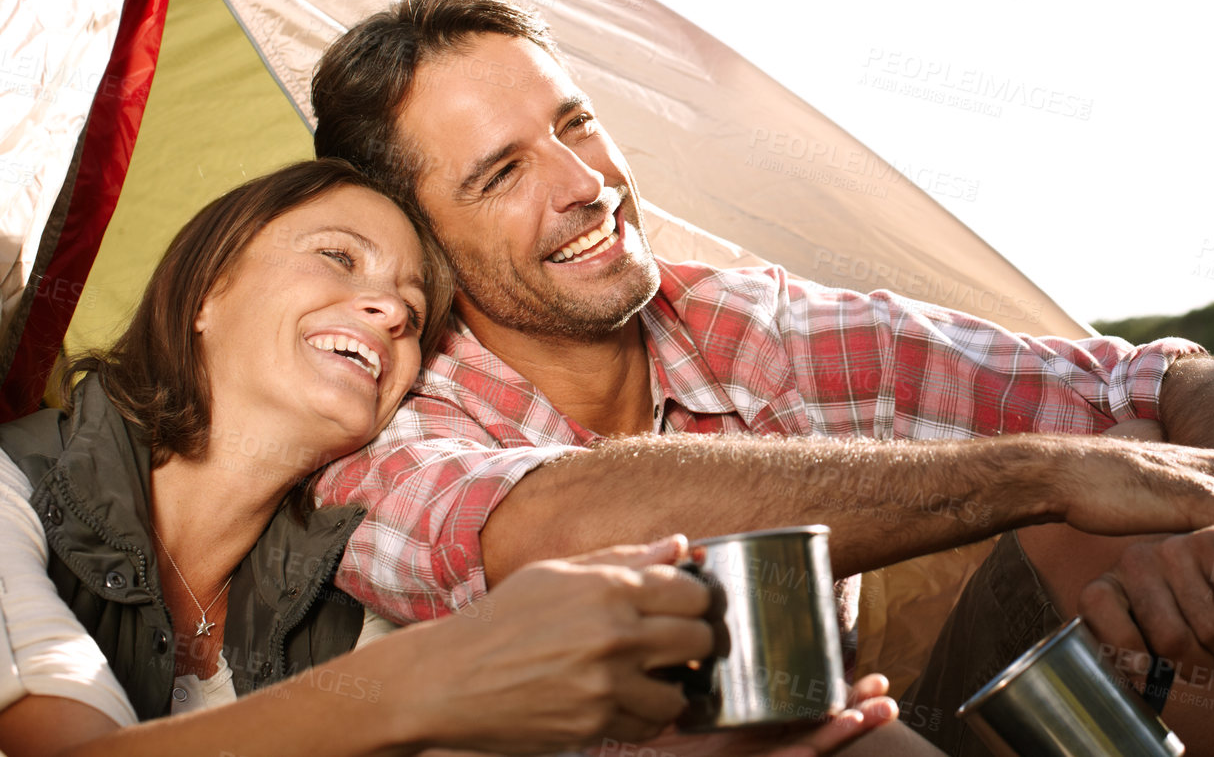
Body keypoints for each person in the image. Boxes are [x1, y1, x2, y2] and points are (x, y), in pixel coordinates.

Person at [310, 0, 1214, 756]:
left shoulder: (743, 323)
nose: (582, 181)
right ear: (416, 242)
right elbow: (559, 525)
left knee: (1150, 501)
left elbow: (1169, 377)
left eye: (576, 122)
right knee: (770, 702)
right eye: (502, 171)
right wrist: (1035, 471)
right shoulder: (378, 438)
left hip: (872, 730)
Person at [0, 159, 897, 757]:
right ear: (206, 289)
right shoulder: (14, 488)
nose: (389, 311)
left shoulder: (340, 591)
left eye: (413, 308)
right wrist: (438, 674)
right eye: (338, 259)